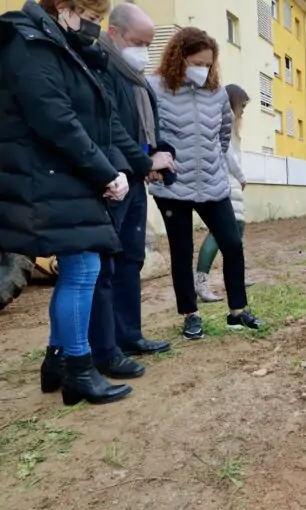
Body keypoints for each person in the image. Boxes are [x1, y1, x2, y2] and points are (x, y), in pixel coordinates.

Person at [0, 0, 134, 405]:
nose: (94, 28)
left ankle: (57, 362)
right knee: (83, 267)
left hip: (59, 172)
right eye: (91, 18)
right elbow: (57, 118)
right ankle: (78, 368)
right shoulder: (30, 43)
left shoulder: (52, 42)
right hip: (50, 173)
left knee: (80, 265)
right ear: (63, 6)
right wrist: (105, 172)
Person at [148, 27, 262, 340]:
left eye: (208, 64)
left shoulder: (217, 93)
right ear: (178, 58)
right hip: (173, 187)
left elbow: (223, 136)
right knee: (181, 252)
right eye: (197, 62)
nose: (203, 70)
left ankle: (237, 312)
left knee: (232, 244)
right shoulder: (155, 88)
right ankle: (190, 315)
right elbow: (146, 131)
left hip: (212, 184)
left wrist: (215, 164)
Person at [82, 2, 176, 380]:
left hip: (134, 180)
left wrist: (159, 156)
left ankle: (129, 334)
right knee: (104, 266)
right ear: (114, 33)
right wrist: (142, 162)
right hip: (112, 179)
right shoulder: (100, 66)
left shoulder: (134, 77)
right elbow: (112, 126)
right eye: (139, 41)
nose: (143, 50)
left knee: (131, 260)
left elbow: (146, 125)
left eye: (148, 44)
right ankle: (105, 349)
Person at [195, 84, 255, 302]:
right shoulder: (225, 116)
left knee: (237, 228)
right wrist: (240, 176)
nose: (243, 111)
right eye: (243, 106)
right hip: (225, 180)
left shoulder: (227, 118)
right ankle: (200, 282)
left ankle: (236, 276)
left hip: (228, 180)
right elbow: (227, 150)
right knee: (221, 231)